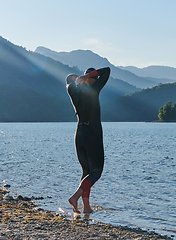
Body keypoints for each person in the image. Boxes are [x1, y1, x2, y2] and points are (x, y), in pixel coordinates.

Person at [65, 67, 111, 214]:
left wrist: (78, 78)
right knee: (96, 171)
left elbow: (68, 79)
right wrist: (87, 76)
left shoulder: (73, 90)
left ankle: (86, 207)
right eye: (93, 78)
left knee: (86, 171)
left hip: (80, 134)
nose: (96, 79)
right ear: (89, 79)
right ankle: (75, 197)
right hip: (93, 133)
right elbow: (107, 71)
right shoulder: (94, 89)